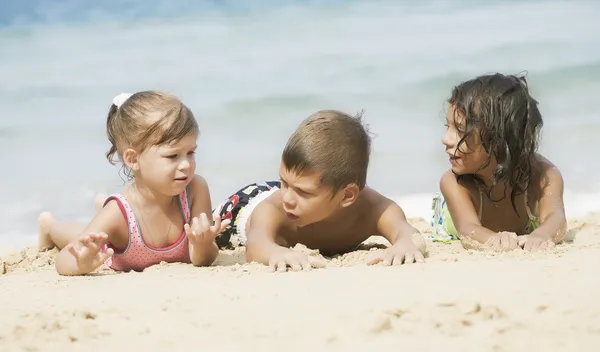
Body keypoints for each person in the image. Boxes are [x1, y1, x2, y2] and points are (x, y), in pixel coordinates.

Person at [38, 91, 229, 275]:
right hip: (121, 230)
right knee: (85, 237)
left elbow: (203, 259)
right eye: (172, 156)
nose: (186, 164)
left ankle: (96, 207)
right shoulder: (118, 213)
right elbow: (64, 260)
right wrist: (81, 263)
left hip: (118, 226)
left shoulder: (195, 190)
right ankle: (49, 226)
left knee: (94, 231)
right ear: (133, 159)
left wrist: (202, 245)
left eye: (191, 152)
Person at [213, 110, 427, 272]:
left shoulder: (373, 209)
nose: (288, 198)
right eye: (284, 182)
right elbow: (256, 244)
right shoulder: (275, 206)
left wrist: (404, 245)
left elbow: (407, 232)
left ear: (347, 196)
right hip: (243, 208)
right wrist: (277, 252)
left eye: (303, 193)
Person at [430, 73, 567, 252]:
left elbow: (556, 218)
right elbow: (468, 230)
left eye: (461, 130)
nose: (445, 139)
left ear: (499, 139)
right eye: (448, 127)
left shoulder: (543, 174)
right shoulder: (454, 182)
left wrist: (542, 235)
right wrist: (494, 239)